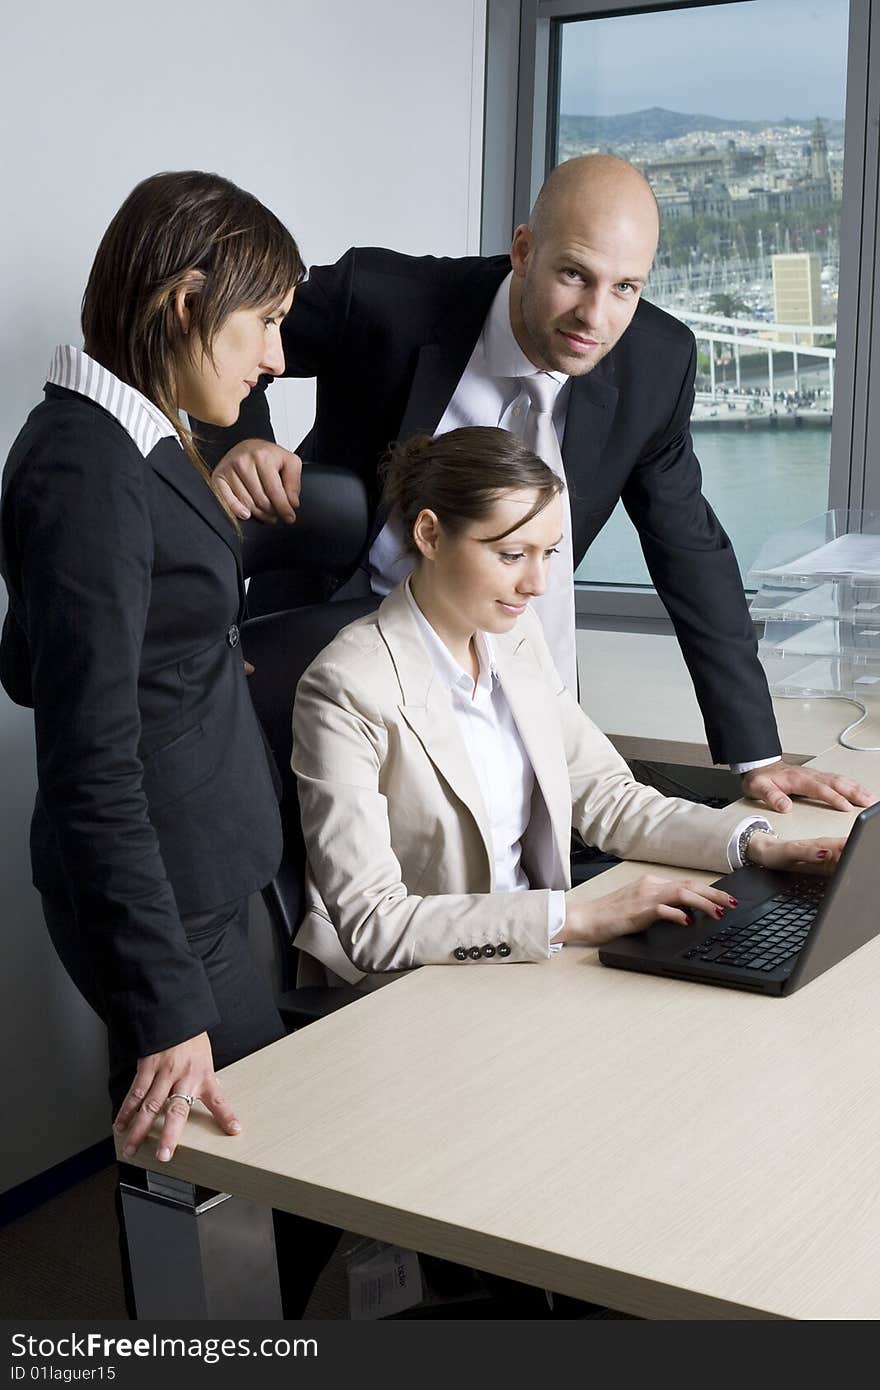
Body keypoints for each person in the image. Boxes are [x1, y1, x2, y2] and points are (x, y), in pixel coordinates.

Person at [196, 152, 873, 820]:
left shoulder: (656, 365)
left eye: (625, 288)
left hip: (516, 675)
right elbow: (222, 323)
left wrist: (755, 753)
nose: (595, 317)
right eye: (574, 275)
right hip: (335, 648)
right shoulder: (387, 300)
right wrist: (246, 438)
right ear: (524, 250)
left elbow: (690, 549)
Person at [0, 170, 333, 1316]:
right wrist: (164, 1001)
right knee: (221, 1178)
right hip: (161, 899)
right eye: (267, 323)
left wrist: (183, 653)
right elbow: (89, 766)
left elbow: (28, 653)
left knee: (213, 1175)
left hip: (195, 864)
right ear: (188, 301)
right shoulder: (86, 463)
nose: (277, 360)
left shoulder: (133, 438)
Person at [290, 427, 849, 988]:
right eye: (511, 554)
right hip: (420, 980)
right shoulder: (347, 687)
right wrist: (577, 917)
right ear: (431, 534)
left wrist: (757, 848)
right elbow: (372, 922)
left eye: (548, 553)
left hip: (533, 956)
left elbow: (608, 797)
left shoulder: (514, 635)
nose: (537, 583)